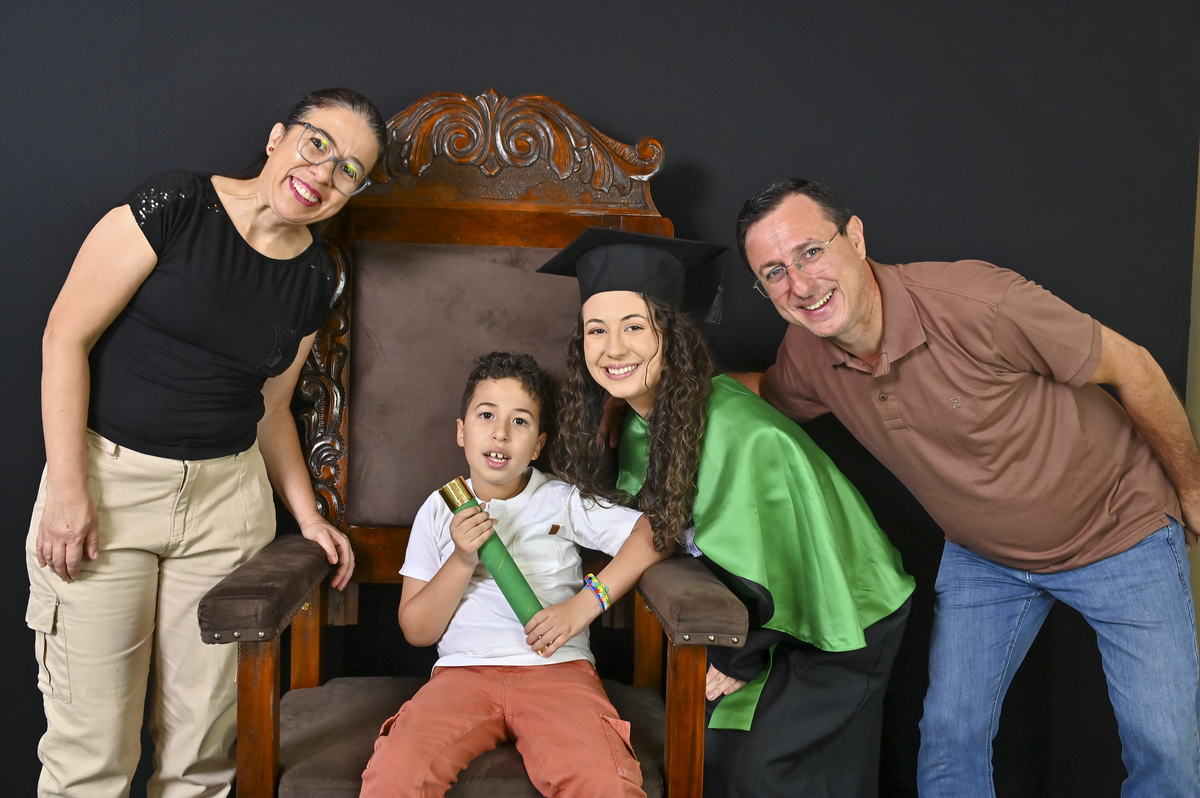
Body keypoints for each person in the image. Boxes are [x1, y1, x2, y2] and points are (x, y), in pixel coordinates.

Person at [734, 178, 1200, 797]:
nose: (799, 284)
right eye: (773, 272)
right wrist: (650, 389)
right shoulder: (808, 352)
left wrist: (1194, 492)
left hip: (1121, 530)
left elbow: (1133, 366)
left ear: (856, 237)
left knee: (1165, 749)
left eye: (810, 252)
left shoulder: (980, 301)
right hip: (988, 559)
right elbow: (763, 393)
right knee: (950, 739)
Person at [27, 88, 386, 798]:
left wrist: (308, 517)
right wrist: (68, 490)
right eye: (317, 143)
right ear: (279, 136)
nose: (323, 172)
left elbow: (272, 408)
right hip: (108, 489)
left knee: (203, 765)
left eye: (349, 169)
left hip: (227, 508)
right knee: (90, 760)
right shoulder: (177, 205)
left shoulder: (316, 276)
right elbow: (64, 336)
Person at [541, 228, 915, 798]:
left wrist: (737, 659)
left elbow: (779, 561)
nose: (613, 349)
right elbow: (659, 527)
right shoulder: (643, 420)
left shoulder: (737, 432)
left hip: (840, 616)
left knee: (763, 774)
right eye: (597, 330)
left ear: (672, 336)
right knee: (713, 755)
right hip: (758, 616)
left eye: (635, 327)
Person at [359, 351, 666, 798]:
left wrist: (584, 605)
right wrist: (462, 560)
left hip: (557, 672)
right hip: (462, 675)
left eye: (519, 421)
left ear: (538, 446)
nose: (500, 432)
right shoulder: (438, 509)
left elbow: (655, 534)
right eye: (486, 415)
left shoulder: (561, 500)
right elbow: (418, 630)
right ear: (462, 432)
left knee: (605, 781)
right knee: (395, 773)